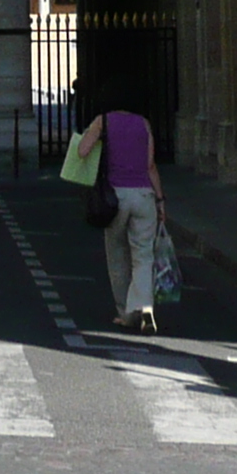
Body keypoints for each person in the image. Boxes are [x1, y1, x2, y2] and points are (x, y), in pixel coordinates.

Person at [71, 96, 164, 332]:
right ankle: (145, 308)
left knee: (117, 256)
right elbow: (150, 165)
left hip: (116, 197)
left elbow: (82, 151)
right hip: (144, 196)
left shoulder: (103, 122)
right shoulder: (144, 124)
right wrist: (160, 201)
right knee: (144, 256)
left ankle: (125, 313)